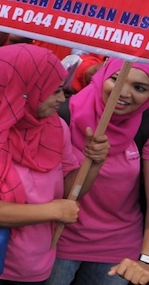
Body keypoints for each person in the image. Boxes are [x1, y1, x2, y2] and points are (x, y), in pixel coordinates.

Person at [0, 44, 109, 285]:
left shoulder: (55, 126)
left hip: (37, 264)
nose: (61, 99)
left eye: (62, 89)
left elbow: (69, 191)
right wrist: (54, 211)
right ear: (21, 90)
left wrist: (94, 162)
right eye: (53, 90)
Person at [49, 59, 149, 284]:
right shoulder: (61, 114)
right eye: (115, 79)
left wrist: (145, 259)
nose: (123, 92)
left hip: (118, 250)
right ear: (102, 75)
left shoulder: (146, 125)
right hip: (58, 242)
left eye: (140, 88)